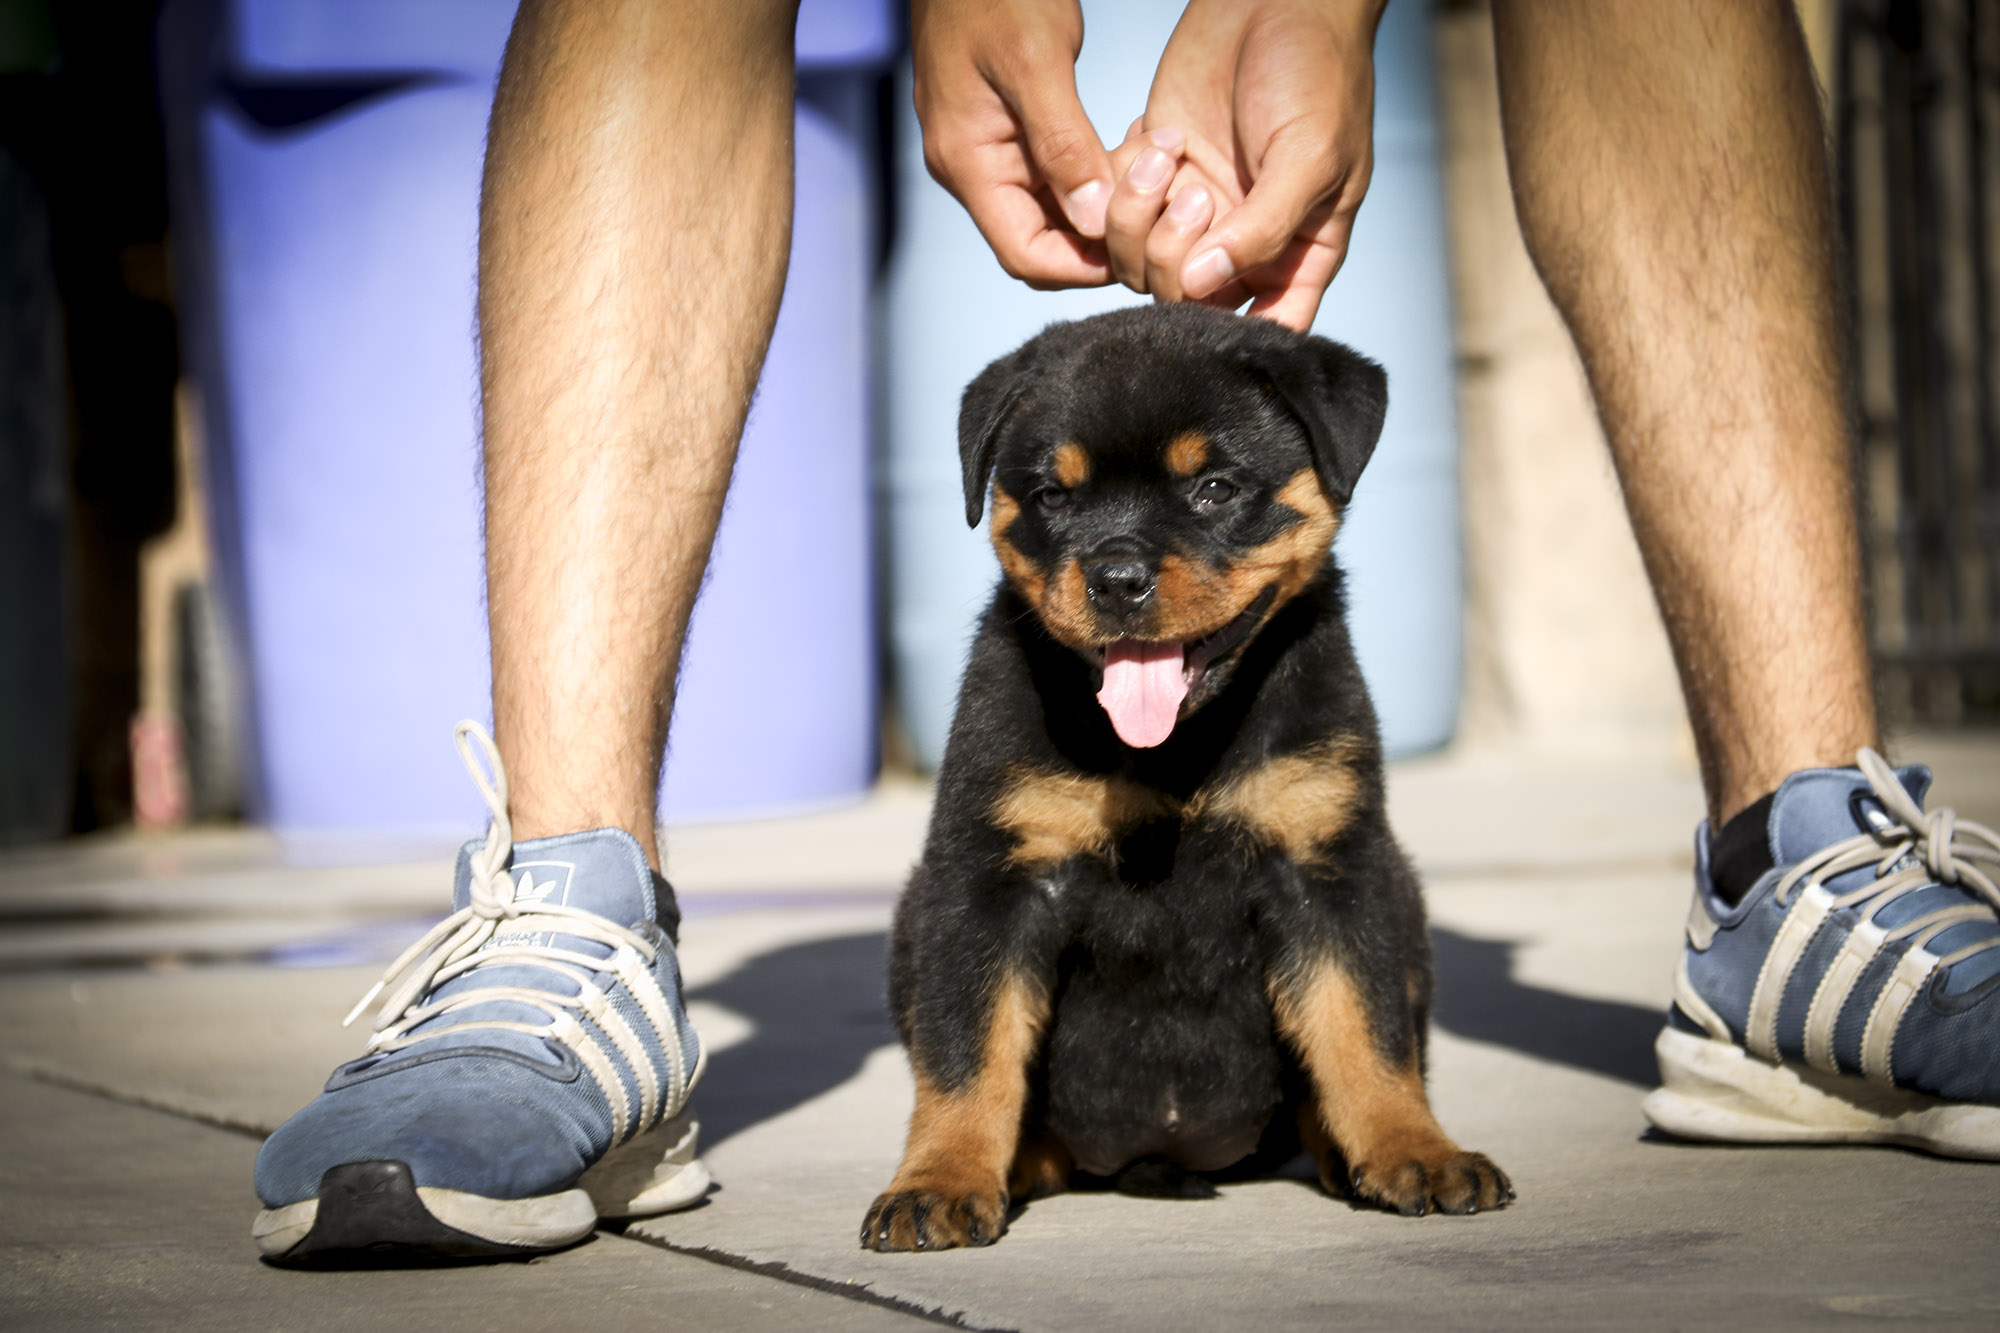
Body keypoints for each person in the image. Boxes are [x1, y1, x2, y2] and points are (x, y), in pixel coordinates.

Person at [249, 0, 2000, 1261]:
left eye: (1214, 497)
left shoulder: (1305, 686)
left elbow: (1346, 906)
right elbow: (968, 920)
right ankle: (573, 899)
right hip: (1051, 1121)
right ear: (995, 492)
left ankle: (1800, 855)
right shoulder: (1024, 700)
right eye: (1061, 505)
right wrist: (959, 1138)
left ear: (1326, 465)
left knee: (1336, 891)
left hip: (1277, 1099)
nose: (1122, 563)